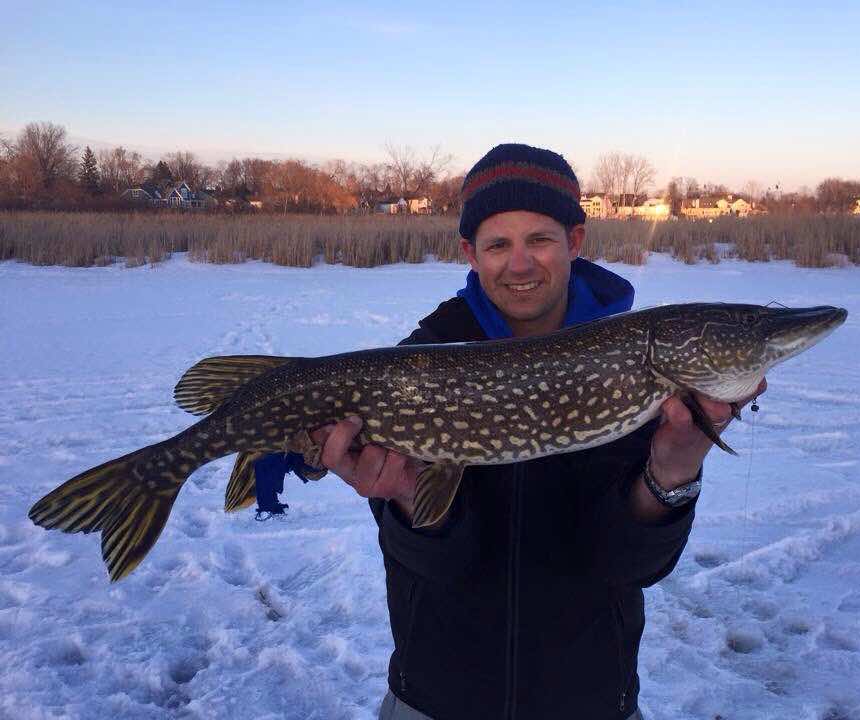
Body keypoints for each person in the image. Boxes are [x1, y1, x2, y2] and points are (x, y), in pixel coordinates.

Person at [309, 144, 766, 720]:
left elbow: (631, 566)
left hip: (592, 704)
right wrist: (406, 496)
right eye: (499, 244)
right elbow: (440, 567)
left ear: (574, 241)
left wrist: (673, 469)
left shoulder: (630, 371)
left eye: (540, 240)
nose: (520, 264)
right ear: (470, 253)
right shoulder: (417, 368)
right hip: (435, 701)